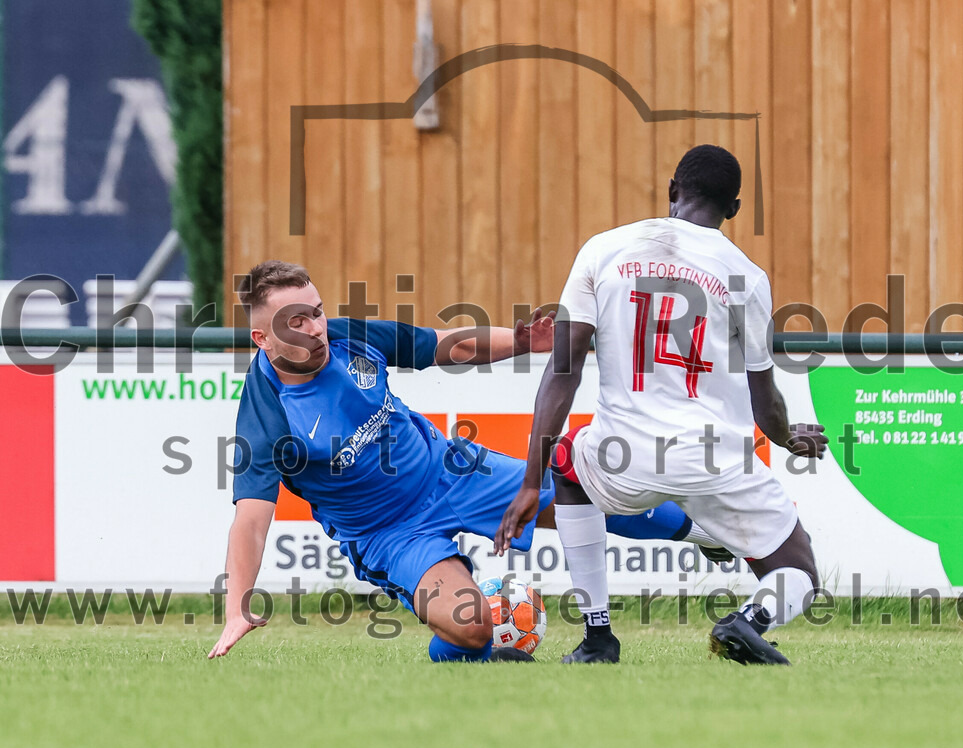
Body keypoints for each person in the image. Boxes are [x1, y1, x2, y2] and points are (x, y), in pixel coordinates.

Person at [209, 261, 718, 663]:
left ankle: (709, 534)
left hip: (453, 470)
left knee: (582, 491)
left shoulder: (346, 337)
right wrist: (237, 608)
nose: (315, 328)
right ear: (263, 339)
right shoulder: (266, 414)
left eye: (316, 311)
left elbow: (442, 345)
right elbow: (251, 520)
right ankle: (469, 656)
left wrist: (522, 343)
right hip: (390, 534)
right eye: (295, 322)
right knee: (473, 627)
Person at [495, 144, 828, 665]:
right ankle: (749, 621)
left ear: (672, 191)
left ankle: (598, 637)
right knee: (799, 572)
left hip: (622, 458)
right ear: (733, 210)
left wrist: (531, 483)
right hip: (714, 463)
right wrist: (791, 439)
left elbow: (563, 370)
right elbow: (766, 404)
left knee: (568, 463)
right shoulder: (746, 276)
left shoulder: (602, 250)